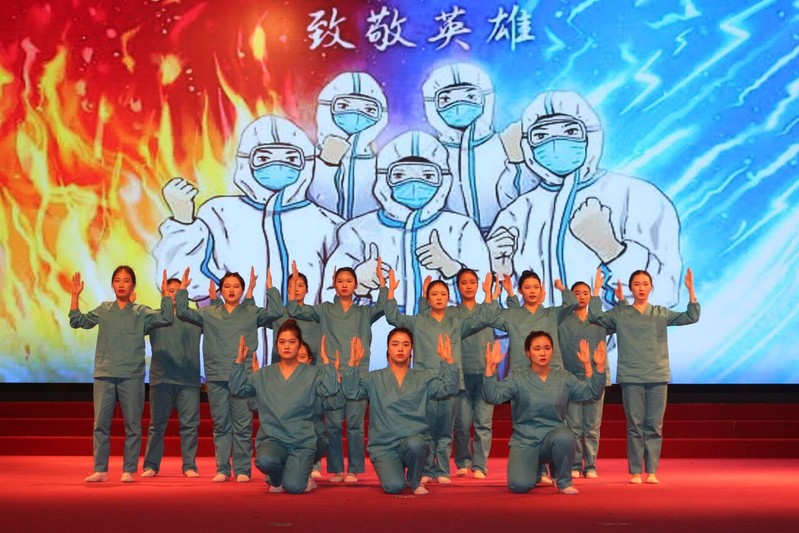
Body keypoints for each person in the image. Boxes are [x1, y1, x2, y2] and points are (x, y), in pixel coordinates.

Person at [488, 90, 682, 308]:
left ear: (591, 134)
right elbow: (501, 313)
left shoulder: (637, 197)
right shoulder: (517, 214)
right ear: (527, 145)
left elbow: (663, 295)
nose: (555, 143)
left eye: (570, 131)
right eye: (541, 136)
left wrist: (611, 249)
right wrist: (499, 272)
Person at [153, 115, 342, 314]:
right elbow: (182, 285)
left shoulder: (324, 222)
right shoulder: (220, 214)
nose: (278, 165)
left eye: (291, 158)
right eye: (263, 158)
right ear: (246, 160)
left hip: (304, 331)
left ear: (306, 162)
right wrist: (183, 223)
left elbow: (343, 288)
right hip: (233, 329)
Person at [323, 130, 490, 313]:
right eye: (400, 175)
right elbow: (330, 303)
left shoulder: (461, 228)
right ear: (383, 177)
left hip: (442, 325)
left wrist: (452, 270)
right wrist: (358, 286)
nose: (414, 184)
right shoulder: (358, 231)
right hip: (382, 326)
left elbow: (484, 296)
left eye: (428, 176)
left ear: (443, 179)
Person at [381, 264, 498, 483]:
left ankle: (443, 470)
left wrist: (488, 294)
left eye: (443, 294)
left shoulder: (456, 323)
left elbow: (482, 319)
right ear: (428, 298)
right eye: (434, 294)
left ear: (448, 297)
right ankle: (427, 470)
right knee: (425, 430)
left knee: (445, 432)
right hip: (424, 383)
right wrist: (390, 292)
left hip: (450, 383)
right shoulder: (418, 321)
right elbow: (393, 317)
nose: (439, 298)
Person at [588, 268, 700, 484]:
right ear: (631, 288)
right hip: (631, 376)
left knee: (654, 425)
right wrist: (596, 291)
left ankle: (652, 471)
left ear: (651, 287)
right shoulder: (621, 314)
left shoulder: (660, 313)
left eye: (645, 284)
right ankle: (636, 471)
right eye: (637, 284)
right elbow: (595, 317)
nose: (641, 288)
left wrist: (691, 290)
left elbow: (691, 317)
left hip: (657, 374)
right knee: (635, 425)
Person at [175, 267, 283, 483]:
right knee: (221, 425)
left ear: (242, 290)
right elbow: (183, 312)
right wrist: (182, 290)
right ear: (221, 291)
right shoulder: (209, 313)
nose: (231, 290)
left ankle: (242, 469)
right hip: (217, 375)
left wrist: (271, 288)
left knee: (242, 425)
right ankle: (223, 468)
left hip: (243, 376)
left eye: (236, 286)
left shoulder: (251, 313)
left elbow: (276, 312)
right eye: (227, 286)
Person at [69, 267, 173, 483]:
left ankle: (128, 469)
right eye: (117, 280)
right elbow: (78, 321)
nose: (121, 284)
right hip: (105, 373)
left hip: (131, 375)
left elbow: (166, 318)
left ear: (133, 285)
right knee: (101, 424)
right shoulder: (104, 309)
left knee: (132, 424)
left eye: (126, 280)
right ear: (112, 285)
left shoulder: (141, 312)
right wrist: (75, 295)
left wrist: (165, 295)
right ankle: (100, 469)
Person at [286, 261, 385, 483]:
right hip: (331, 375)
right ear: (334, 284)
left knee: (355, 425)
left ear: (356, 285)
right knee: (332, 425)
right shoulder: (325, 310)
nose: (344, 285)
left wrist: (382, 281)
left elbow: (383, 306)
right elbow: (294, 310)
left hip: (357, 374)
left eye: (349, 281)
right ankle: (337, 469)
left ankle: (354, 469)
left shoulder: (363, 312)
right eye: (340, 281)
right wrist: (294, 285)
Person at [483, 331, 608, 495]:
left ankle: (563, 481)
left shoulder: (563, 377)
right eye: (537, 349)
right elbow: (493, 397)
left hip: (553, 438)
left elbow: (590, 394)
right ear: (528, 353)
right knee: (520, 486)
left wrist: (598, 367)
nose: (542, 353)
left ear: (552, 351)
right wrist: (490, 368)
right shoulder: (518, 378)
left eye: (547, 348)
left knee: (565, 436)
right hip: (525, 441)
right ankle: (534, 468)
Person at [341, 329, 459, 495]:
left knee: (416, 444)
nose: (400, 349)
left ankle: (414, 480)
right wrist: (352, 364)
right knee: (394, 486)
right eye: (395, 344)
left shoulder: (423, 378)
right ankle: (396, 471)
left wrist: (449, 361)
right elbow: (351, 392)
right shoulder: (374, 378)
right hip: (384, 446)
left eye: (406, 344)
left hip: (413, 442)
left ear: (411, 349)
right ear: (388, 349)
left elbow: (449, 389)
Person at [230, 321, 339, 494]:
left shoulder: (312, 373)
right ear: (277, 345)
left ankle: (296, 473)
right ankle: (278, 476)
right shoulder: (263, 374)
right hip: (273, 440)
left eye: (292, 342)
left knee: (294, 487)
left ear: (299, 345)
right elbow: (237, 389)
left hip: (301, 442)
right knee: (265, 461)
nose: (286, 346)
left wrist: (326, 362)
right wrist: (239, 361)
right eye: (282, 342)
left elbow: (331, 389)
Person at [422, 63, 507, 235]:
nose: (459, 105)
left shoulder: (503, 146)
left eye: (470, 96)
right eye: (446, 99)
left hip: (505, 236)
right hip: (451, 240)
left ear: (486, 98)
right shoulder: (429, 154)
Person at [141, 277, 202, 479]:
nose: (173, 293)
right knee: (157, 426)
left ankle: (189, 466)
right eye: (169, 290)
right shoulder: (154, 317)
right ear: (162, 293)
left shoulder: (194, 317)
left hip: (188, 380)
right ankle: (151, 465)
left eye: (177, 290)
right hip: (161, 379)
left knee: (189, 426)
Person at [558, 280, 618, 479]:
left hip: (596, 378)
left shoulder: (598, 319)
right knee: (574, 425)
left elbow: (618, 323)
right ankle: (575, 464)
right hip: (571, 378)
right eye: (577, 293)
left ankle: (590, 465)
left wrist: (599, 291)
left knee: (592, 426)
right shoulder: (562, 320)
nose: (581, 297)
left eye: (586, 293)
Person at [308, 71, 388, 219]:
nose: (356, 114)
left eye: (369, 109)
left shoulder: (382, 165)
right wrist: (326, 164)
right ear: (327, 107)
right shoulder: (305, 159)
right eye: (344, 105)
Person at [450, 268, 497, 479]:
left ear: (478, 285)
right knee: (461, 424)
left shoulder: (487, 310)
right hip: (461, 374)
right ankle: (463, 461)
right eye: (464, 282)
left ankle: (480, 465)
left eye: (472, 282)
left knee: (483, 423)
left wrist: (490, 294)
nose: (468, 286)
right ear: (457, 286)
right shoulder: (452, 313)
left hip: (485, 373)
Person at [492, 270, 577, 371]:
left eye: (536, 287)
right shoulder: (513, 315)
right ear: (520, 290)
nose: (532, 291)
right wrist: (496, 295)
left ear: (541, 290)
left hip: (551, 372)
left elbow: (572, 302)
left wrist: (561, 287)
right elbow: (491, 316)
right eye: (527, 287)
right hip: (522, 373)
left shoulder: (551, 314)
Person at [297, 338, 345, 479]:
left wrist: (335, 377)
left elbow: (333, 403)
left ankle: (314, 466)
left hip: (313, 428)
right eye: (296, 357)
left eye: (302, 357)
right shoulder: (280, 379)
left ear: (309, 360)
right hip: (288, 429)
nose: (299, 361)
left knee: (323, 429)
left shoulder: (316, 379)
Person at [269, 270, 322, 365]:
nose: (296, 289)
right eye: (292, 286)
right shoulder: (278, 313)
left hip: (310, 368)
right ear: (287, 289)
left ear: (307, 290)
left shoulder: (315, 314)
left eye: (300, 286)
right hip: (281, 367)